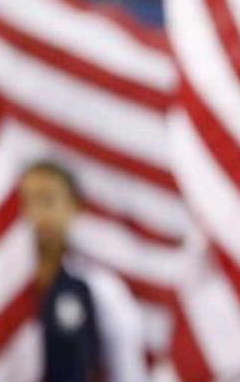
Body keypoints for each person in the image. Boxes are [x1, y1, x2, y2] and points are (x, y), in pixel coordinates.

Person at [18, 160, 147, 382]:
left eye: (47, 200)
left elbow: (128, 372)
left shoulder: (100, 289)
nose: (34, 214)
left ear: (74, 206)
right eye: (24, 202)